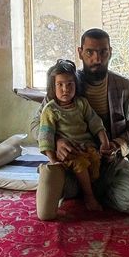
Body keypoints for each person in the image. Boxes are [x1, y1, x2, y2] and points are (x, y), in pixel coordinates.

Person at [39, 28, 129, 215]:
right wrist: (57, 142)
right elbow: (38, 124)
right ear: (80, 52)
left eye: (103, 52)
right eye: (90, 52)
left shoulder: (124, 87)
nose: (97, 59)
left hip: (111, 161)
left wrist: (117, 145)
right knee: (59, 186)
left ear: (110, 52)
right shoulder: (67, 84)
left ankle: (96, 190)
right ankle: (88, 190)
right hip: (74, 159)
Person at [38, 59, 111, 212]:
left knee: (96, 164)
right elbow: (46, 135)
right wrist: (53, 160)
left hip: (88, 146)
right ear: (53, 86)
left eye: (70, 84)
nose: (65, 89)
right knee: (80, 164)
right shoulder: (50, 110)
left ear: (76, 85)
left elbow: (95, 122)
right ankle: (89, 197)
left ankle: (87, 188)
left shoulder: (81, 103)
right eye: (60, 84)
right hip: (70, 152)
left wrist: (104, 142)